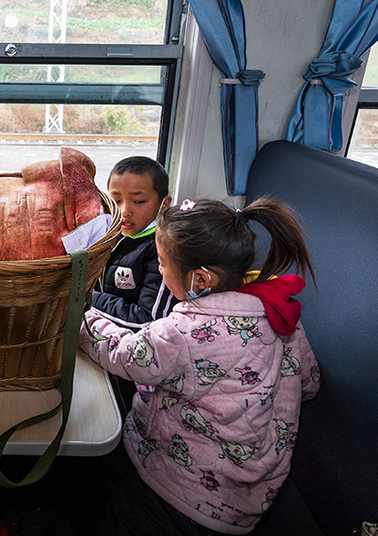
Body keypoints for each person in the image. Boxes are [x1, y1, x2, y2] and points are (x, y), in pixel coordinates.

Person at [78, 197, 320, 534]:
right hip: (250, 497)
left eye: (163, 264)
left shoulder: (184, 332)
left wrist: (80, 317)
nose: (160, 271)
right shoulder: (278, 310)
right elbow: (310, 383)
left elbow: (124, 354)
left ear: (201, 280)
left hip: (180, 495)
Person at [91, 156, 176, 328]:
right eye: (116, 201)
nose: (124, 211)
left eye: (138, 202)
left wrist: (86, 298)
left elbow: (147, 319)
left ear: (164, 203)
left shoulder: (163, 252)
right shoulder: (108, 235)